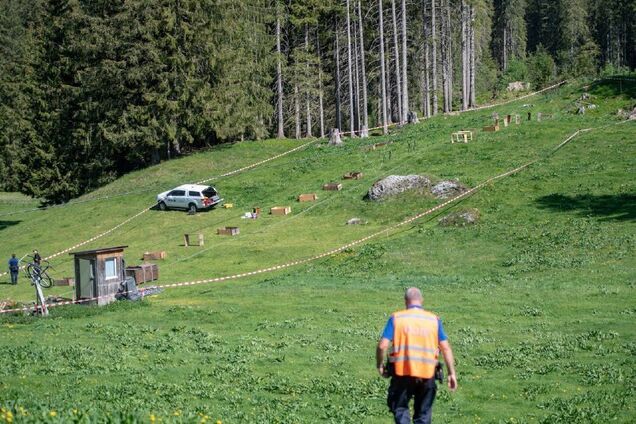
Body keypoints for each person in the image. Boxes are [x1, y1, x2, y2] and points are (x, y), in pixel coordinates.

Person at [376, 287, 457, 424]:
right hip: (427, 373)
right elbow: (446, 348)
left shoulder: (397, 318)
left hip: (402, 373)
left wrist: (379, 365)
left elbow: (382, 345)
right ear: (422, 300)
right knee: (423, 415)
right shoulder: (434, 320)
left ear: (405, 301)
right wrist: (451, 373)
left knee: (400, 408)